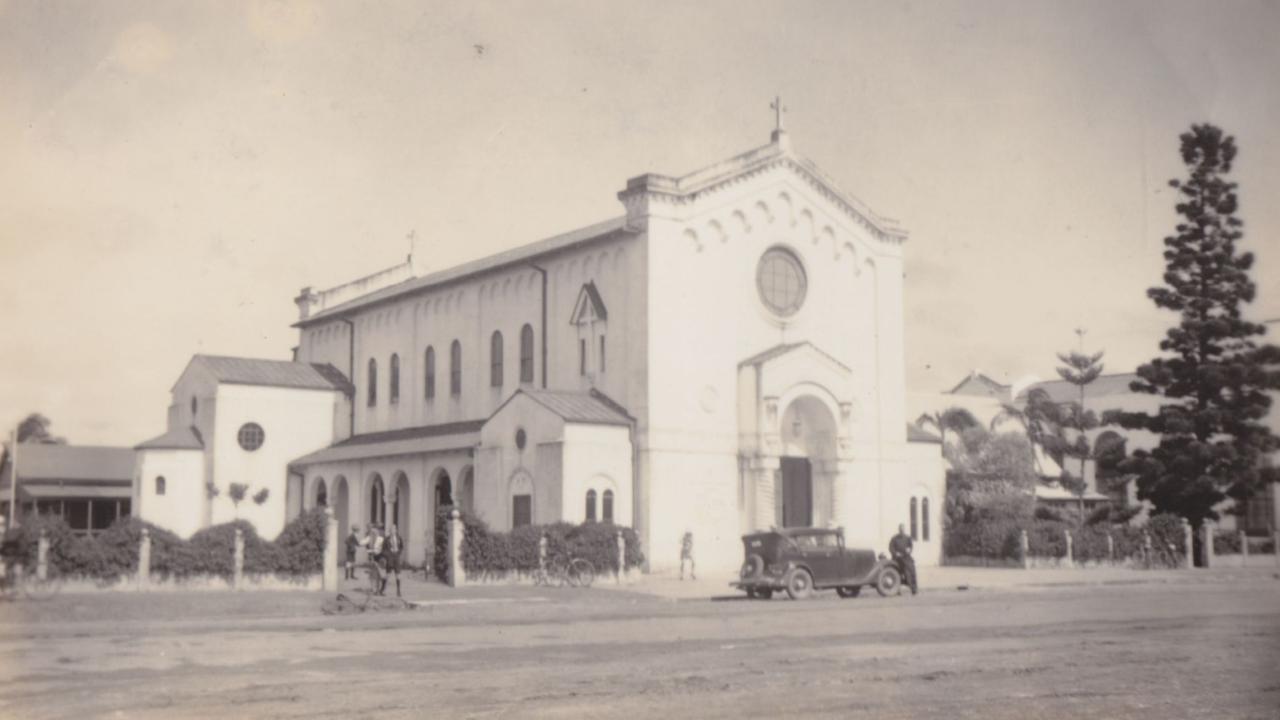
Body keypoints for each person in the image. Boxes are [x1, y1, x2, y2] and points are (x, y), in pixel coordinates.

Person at [889, 523, 918, 595]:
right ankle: (897, 590)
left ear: (904, 530)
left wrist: (909, 550)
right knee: (897, 572)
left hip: (906, 557)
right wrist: (895, 553)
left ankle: (914, 588)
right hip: (897, 558)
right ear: (899, 530)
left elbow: (910, 546)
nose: (902, 531)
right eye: (900, 529)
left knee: (911, 569)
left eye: (903, 529)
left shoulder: (908, 538)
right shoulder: (894, 538)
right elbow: (891, 548)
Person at [383, 523, 404, 597]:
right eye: (391, 529)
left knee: (398, 575)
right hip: (390, 558)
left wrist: (398, 553)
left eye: (394, 529)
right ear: (389, 531)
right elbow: (384, 550)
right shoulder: (387, 539)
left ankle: (398, 591)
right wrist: (388, 555)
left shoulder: (399, 538)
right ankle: (383, 589)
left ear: (396, 530)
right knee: (387, 575)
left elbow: (401, 547)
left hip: (396, 558)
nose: (392, 531)